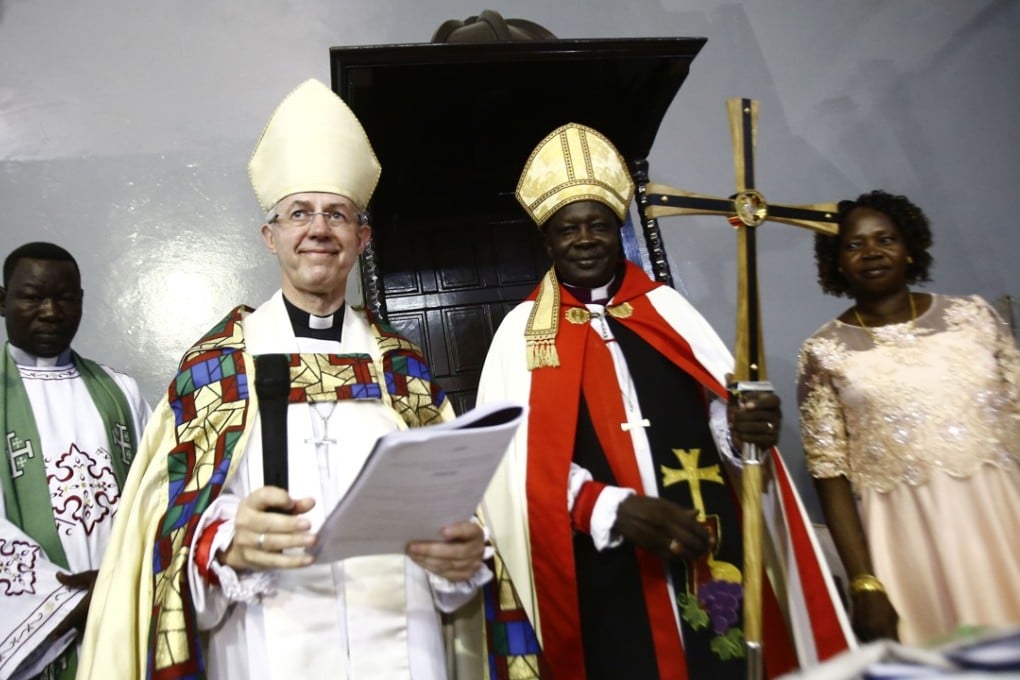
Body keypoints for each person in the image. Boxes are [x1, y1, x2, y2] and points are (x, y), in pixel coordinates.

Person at [77, 79, 489, 679]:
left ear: (361, 239)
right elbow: (168, 534)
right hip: (265, 646)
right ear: (270, 238)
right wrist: (225, 543)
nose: (318, 229)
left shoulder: (404, 369)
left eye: (337, 215)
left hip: (405, 650)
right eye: (299, 213)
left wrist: (461, 557)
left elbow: (457, 519)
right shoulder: (217, 365)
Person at [477, 123, 853, 680]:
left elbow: (720, 418)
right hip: (601, 565)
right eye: (567, 229)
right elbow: (511, 461)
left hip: (704, 546)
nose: (584, 239)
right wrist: (608, 507)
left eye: (598, 225)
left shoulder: (667, 310)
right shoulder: (520, 335)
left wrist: (746, 430)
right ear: (547, 241)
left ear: (618, 231)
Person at [797, 189, 1020, 645]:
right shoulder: (823, 352)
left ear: (910, 247)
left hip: (1004, 513)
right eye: (854, 245)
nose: (872, 252)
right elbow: (829, 474)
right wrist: (865, 583)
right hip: (910, 539)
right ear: (836, 262)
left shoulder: (974, 317)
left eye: (886, 239)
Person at [0, 241, 151, 680]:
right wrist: (63, 602)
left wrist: (121, 584)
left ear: (81, 302)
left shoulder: (120, 392)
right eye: (31, 297)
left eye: (65, 298)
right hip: (38, 638)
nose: (50, 311)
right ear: (2, 300)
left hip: (122, 620)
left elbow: (155, 499)